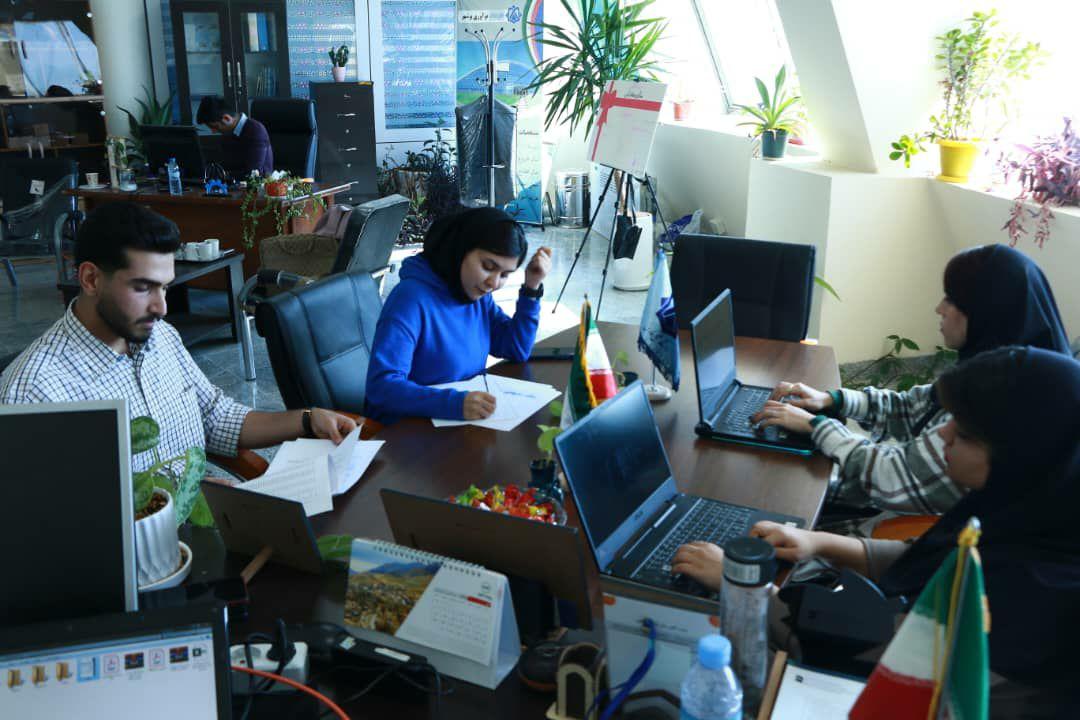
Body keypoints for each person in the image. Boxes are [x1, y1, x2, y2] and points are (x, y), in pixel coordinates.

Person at [674, 346, 1080, 714]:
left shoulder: (1034, 594)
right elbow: (937, 561)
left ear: (1019, 457)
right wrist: (819, 542)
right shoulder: (1033, 509)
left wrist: (746, 589)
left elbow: (872, 659)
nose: (943, 434)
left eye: (965, 433)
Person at [0, 202, 356, 472]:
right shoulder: (34, 396)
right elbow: (49, 527)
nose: (161, 308)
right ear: (91, 279)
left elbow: (216, 417)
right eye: (143, 288)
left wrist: (306, 420)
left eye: (165, 288)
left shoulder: (160, 338)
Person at [750, 244, 1070, 519]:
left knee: (763, 496)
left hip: (890, 529)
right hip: (882, 511)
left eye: (952, 300)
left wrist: (817, 425)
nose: (939, 309)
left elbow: (894, 477)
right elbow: (912, 405)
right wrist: (833, 399)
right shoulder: (996, 370)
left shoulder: (1005, 403)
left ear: (986, 312)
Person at [365, 207, 552, 423]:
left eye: (504, 275)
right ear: (461, 249)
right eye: (488, 266)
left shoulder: (475, 296)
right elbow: (381, 387)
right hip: (404, 433)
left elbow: (516, 348)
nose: (493, 283)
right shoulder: (410, 300)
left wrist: (531, 287)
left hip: (455, 426)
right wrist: (454, 403)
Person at [196, 95, 273, 178]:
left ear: (227, 119)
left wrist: (223, 174)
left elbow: (254, 174)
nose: (213, 132)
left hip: (255, 184)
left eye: (215, 127)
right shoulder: (229, 133)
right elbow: (224, 165)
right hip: (232, 184)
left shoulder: (255, 130)